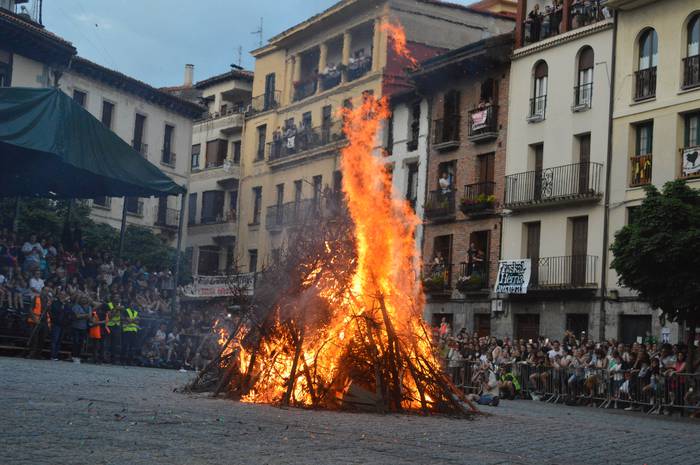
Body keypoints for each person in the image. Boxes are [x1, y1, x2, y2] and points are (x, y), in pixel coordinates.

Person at [49, 291, 72, 360]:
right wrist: (62, 304)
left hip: (63, 324)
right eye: (61, 294)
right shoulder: (55, 303)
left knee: (59, 341)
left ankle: (55, 355)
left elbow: (68, 312)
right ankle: (52, 355)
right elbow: (56, 310)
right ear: (59, 295)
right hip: (56, 323)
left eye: (64, 295)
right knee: (54, 340)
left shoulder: (66, 304)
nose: (63, 296)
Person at [71, 295, 91, 363]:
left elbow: (90, 317)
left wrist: (82, 315)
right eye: (82, 298)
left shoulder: (89, 307)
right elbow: (77, 316)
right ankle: (74, 356)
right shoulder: (76, 306)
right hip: (75, 327)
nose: (84, 300)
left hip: (84, 327)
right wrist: (85, 315)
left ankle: (78, 356)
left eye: (85, 298)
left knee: (81, 343)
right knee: (75, 342)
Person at [105, 296, 123, 364]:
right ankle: (106, 358)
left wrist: (118, 309)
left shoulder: (119, 306)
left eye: (118, 300)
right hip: (109, 326)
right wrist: (116, 310)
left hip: (117, 326)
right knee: (107, 343)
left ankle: (113, 359)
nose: (118, 301)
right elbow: (110, 316)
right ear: (113, 300)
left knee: (115, 344)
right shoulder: (109, 305)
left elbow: (122, 311)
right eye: (116, 300)